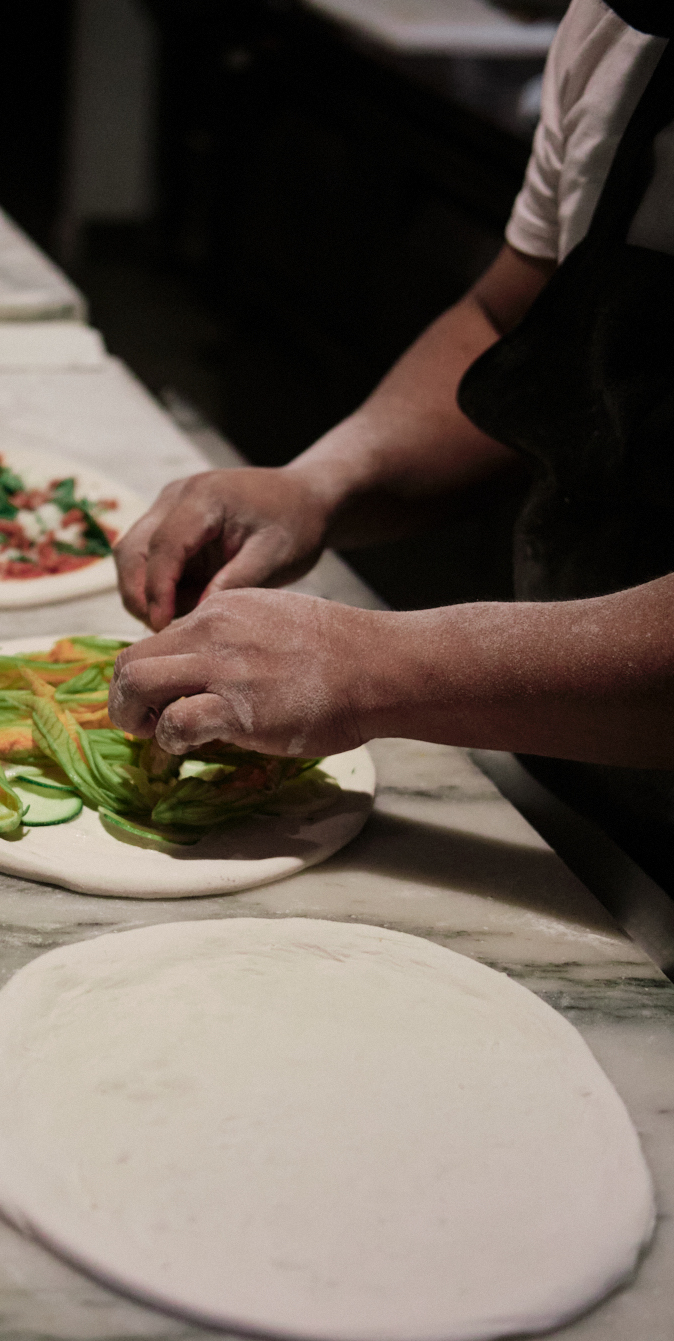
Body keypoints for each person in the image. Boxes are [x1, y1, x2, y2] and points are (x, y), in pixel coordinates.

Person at [107, 0, 674, 797]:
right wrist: (319, 482)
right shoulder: (616, 35)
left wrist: (376, 667)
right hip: (564, 753)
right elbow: (507, 322)